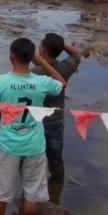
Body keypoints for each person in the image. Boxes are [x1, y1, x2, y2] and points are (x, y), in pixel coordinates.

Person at [0, 37, 67, 215]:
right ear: (32, 58)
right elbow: (62, 83)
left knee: (0, 193)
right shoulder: (42, 82)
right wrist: (43, 63)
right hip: (35, 145)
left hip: (7, 144)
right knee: (33, 193)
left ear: (11, 56)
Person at [32, 33, 81, 181]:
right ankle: (57, 186)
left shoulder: (35, 73)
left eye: (40, 46)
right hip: (56, 121)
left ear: (44, 52)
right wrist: (60, 43)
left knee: (33, 160)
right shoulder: (65, 67)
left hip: (36, 122)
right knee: (55, 158)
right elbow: (77, 54)